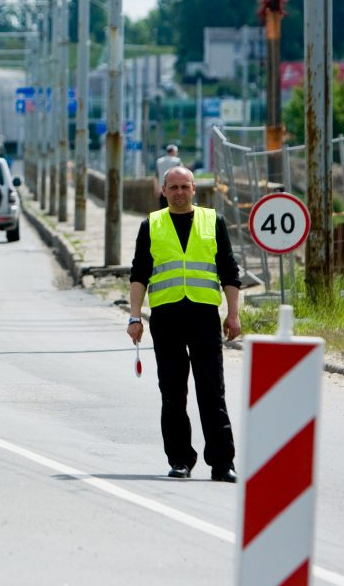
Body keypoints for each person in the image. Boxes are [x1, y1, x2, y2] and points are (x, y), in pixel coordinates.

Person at [126, 166, 241, 483]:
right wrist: (135, 317)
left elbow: (229, 271)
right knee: (172, 393)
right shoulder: (151, 224)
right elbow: (139, 274)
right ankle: (180, 459)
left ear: (194, 189)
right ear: (163, 190)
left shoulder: (212, 221)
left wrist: (233, 314)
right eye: (172, 187)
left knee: (212, 392)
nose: (178, 192)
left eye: (184, 186)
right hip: (166, 318)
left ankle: (222, 463)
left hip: (204, 317)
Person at [155, 144, 182, 210]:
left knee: (163, 210)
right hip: (174, 190)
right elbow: (182, 175)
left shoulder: (159, 161)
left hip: (162, 190)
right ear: (174, 151)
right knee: (174, 210)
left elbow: (156, 177)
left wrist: (156, 190)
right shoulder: (177, 161)